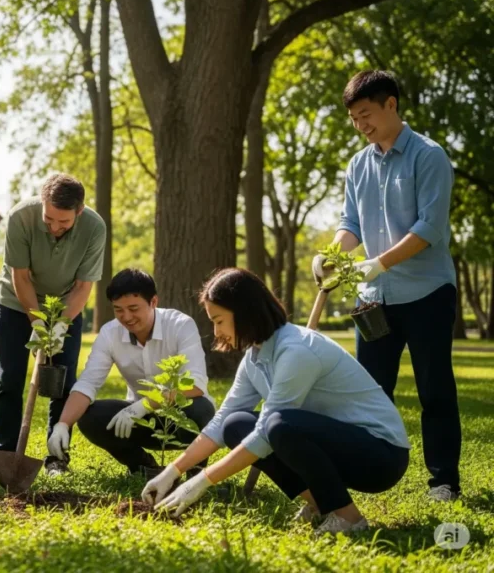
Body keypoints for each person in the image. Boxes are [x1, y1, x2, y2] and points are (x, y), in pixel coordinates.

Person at [142, 268, 411, 535]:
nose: (216, 331)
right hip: (337, 447)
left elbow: (266, 435)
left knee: (279, 425)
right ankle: (321, 504)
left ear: (245, 312)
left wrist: (201, 481)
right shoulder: (255, 356)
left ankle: (349, 518)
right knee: (236, 425)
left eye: (219, 320)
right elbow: (223, 419)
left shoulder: (297, 350)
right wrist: (172, 472)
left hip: (380, 455)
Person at [312, 69, 460, 501]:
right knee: (368, 392)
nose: (361, 126)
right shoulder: (358, 164)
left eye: (366, 115)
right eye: (354, 119)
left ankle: (443, 480)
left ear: (391, 104)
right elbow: (351, 224)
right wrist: (335, 255)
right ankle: (363, 473)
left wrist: (378, 263)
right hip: (373, 300)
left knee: (435, 389)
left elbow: (429, 227)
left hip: (427, 293)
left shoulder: (428, 156)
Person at [46, 269, 215, 476]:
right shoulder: (110, 333)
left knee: (201, 408)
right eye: (118, 310)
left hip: (182, 421)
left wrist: (144, 404)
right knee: (90, 417)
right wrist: (63, 424)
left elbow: (195, 385)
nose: (126, 317)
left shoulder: (181, 325)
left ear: (153, 301)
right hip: (137, 422)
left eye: (134, 308)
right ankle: (144, 467)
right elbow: (88, 384)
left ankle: (195, 473)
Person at [0, 173, 106, 475]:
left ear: (79, 212)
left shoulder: (94, 228)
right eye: (49, 219)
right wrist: (37, 323)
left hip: (65, 305)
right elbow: (21, 277)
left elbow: (83, 287)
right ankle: (6, 452)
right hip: (16, 302)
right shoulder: (21, 217)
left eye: (64, 222)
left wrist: (59, 326)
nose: (54, 227)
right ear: (42, 203)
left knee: (62, 381)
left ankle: (57, 458)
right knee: (10, 377)